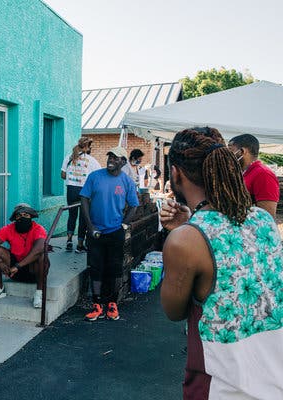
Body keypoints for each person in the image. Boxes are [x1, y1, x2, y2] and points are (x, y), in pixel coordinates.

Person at [159, 127, 283, 399]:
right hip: (274, 379)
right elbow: (227, 239)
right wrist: (190, 225)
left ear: (176, 173)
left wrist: (184, 233)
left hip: (224, 386)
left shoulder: (185, 241)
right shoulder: (262, 220)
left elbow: (174, 310)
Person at [80, 146, 139, 321]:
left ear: (123, 162)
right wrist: (89, 226)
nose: (111, 159)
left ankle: (113, 304)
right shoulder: (95, 177)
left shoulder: (127, 181)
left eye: (115, 157)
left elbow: (134, 205)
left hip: (115, 231)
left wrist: (124, 224)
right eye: (110, 156)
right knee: (96, 267)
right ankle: (96, 304)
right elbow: (84, 198)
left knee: (115, 268)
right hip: (96, 231)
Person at [0, 203, 47, 308]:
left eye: (26, 215)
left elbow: (39, 248)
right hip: (12, 271)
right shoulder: (9, 228)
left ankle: (39, 293)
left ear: (31, 217)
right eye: (19, 215)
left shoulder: (38, 229)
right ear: (15, 218)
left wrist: (18, 266)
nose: (22, 218)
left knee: (41, 255)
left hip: (33, 271)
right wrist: (0, 263)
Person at [60, 135, 101, 252]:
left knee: (72, 215)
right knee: (84, 218)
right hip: (85, 190)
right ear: (88, 147)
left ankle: (69, 240)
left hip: (71, 189)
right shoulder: (92, 160)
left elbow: (62, 175)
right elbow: (97, 177)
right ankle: (79, 245)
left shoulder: (69, 157)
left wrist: (73, 176)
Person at [228, 133, 280, 219]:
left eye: (230, 151)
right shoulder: (242, 173)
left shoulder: (263, 174)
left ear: (242, 152)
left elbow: (267, 216)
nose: (227, 155)